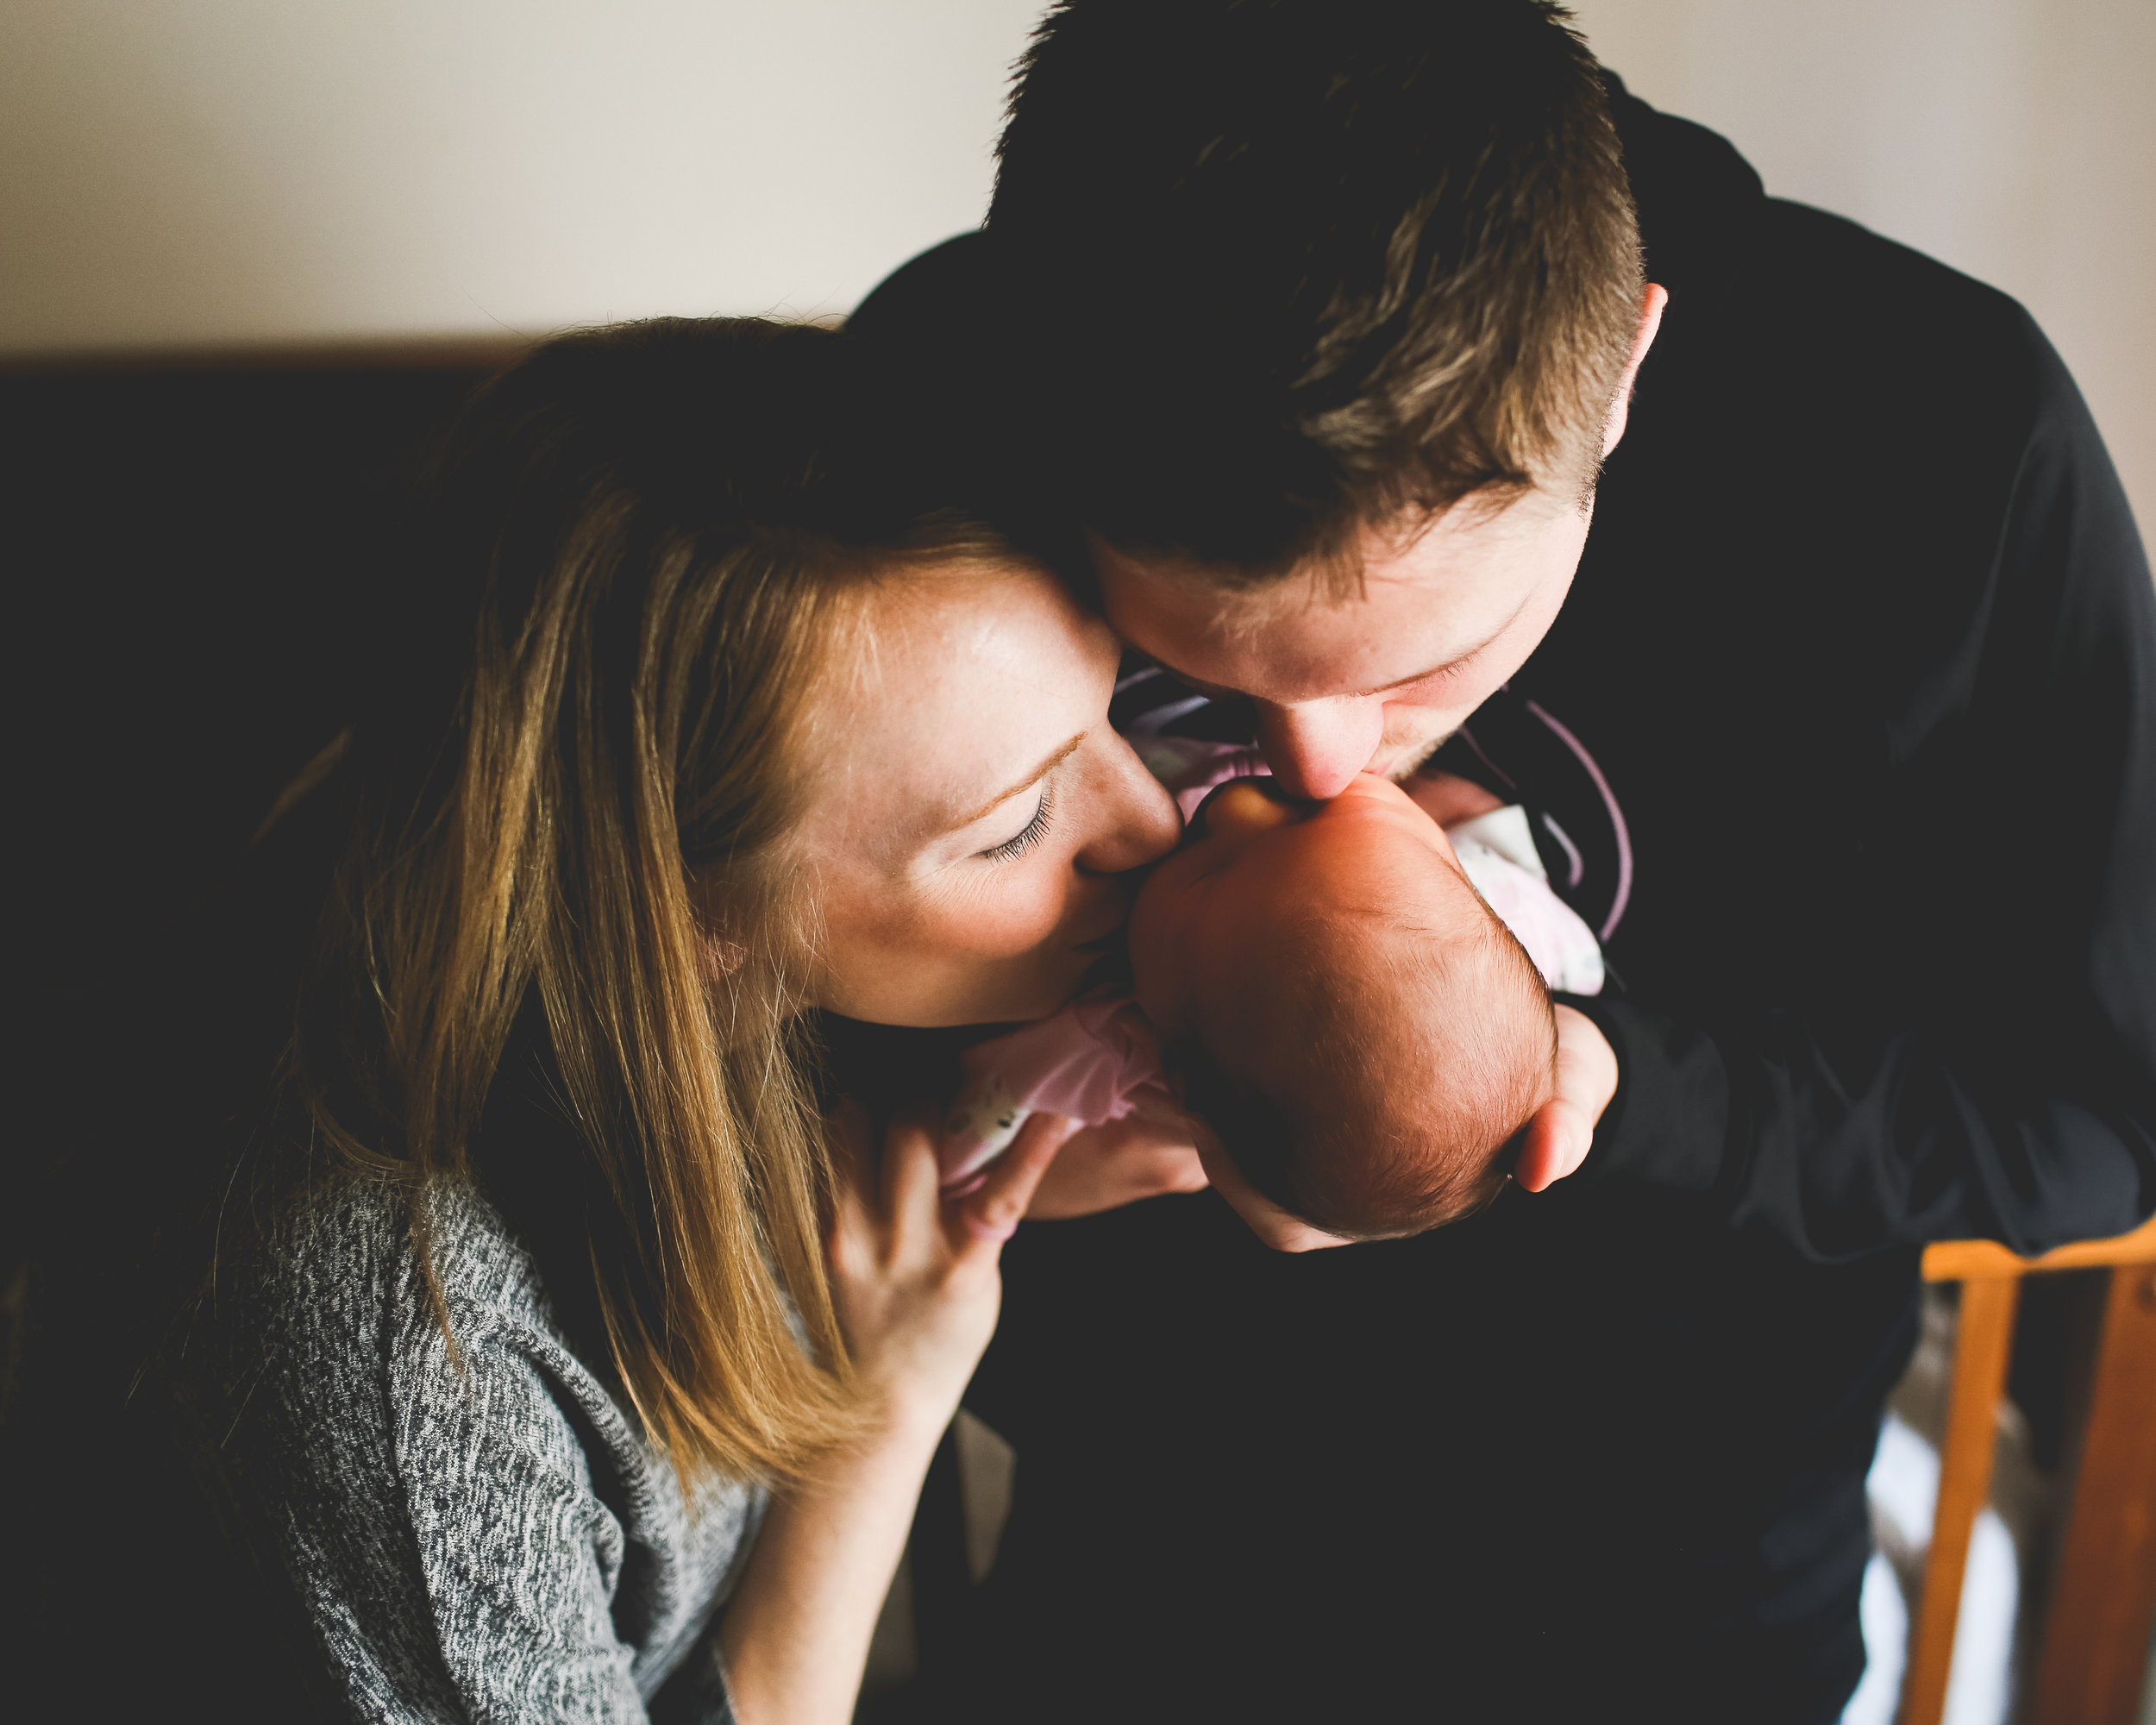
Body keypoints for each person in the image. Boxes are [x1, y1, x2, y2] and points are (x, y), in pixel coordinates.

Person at [848, 0, 2156, 1717]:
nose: (1317, 770)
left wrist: (1609, 1080)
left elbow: (2097, 1124)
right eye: (1205, 668)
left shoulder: (1939, 439)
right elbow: (756, 963)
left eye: (1413, 668)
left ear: (1622, 362)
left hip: (1670, 1618)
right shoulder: (943, 384)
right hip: (1127, 1578)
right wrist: (956, 1128)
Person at [1, 315, 1205, 1723]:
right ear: (686, 922)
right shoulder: (409, 1363)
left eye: (1111, 705)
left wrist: (976, 1159)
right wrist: (885, 1412)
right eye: (1014, 829)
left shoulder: (516, 826)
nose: (1158, 814)